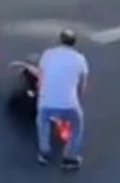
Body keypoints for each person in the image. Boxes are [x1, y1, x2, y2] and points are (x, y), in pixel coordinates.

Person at [36, 29, 89, 170]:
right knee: (77, 124)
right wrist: (76, 100)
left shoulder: (48, 54)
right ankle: (69, 158)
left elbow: (40, 78)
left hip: (47, 103)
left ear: (59, 40)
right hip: (69, 105)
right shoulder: (80, 59)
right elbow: (82, 85)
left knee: (43, 122)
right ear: (74, 43)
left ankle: (44, 153)